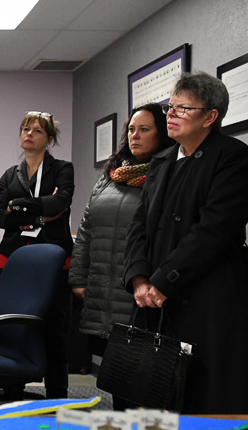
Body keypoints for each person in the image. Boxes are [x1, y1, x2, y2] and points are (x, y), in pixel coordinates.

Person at [124, 71, 248, 414]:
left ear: (210, 117)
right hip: (155, 294)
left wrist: (163, 280)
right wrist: (138, 277)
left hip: (208, 292)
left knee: (209, 394)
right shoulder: (162, 160)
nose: (171, 113)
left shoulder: (231, 156)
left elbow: (215, 230)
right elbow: (140, 224)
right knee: (156, 391)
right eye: (171, 106)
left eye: (183, 108)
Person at [69, 104, 174, 354]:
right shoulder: (111, 175)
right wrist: (78, 279)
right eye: (131, 129)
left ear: (161, 133)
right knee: (112, 368)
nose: (134, 135)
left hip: (140, 288)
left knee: (141, 367)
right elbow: (86, 231)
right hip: (100, 287)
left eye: (144, 129)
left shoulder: (169, 175)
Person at [0, 111, 74, 399]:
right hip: (12, 259)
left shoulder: (63, 169)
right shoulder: (8, 175)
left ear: (49, 139)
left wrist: (20, 207)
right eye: (26, 129)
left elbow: (60, 202)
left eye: (38, 130)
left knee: (53, 328)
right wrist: (39, 214)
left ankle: (56, 396)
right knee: (13, 326)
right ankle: (12, 389)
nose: (30, 134)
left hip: (53, 261)